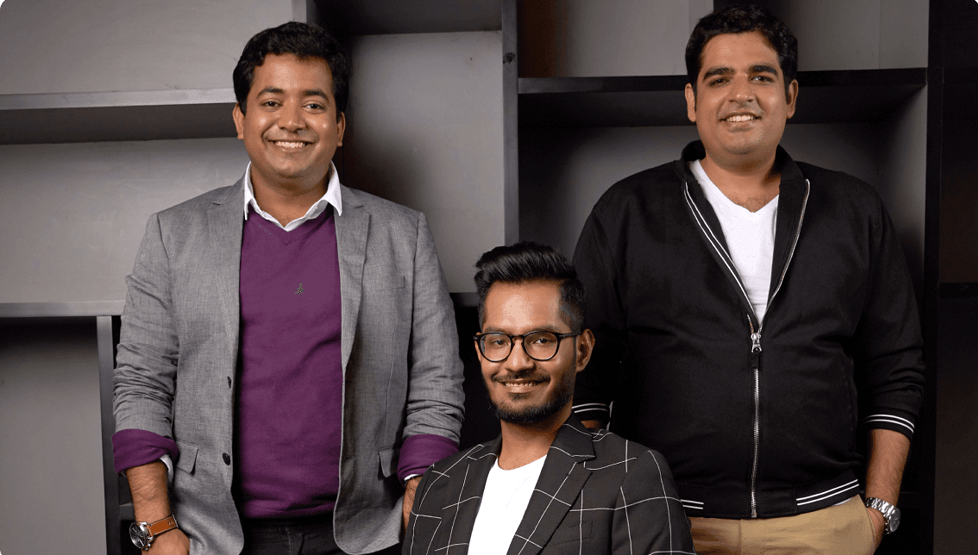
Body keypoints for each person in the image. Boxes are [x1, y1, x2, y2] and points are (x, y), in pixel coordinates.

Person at [571, 5, 924, 555]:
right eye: (719, 79)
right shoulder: (626, 212)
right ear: (692, 100)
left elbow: (896, 367)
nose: (742, 94)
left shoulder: (854, 210)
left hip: (823, 522)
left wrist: (879, 507)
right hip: (664, 518)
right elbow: (581, 375)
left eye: (761, 76)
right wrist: (607, 509)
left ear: (790, 96)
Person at [112, 21, 465, 555]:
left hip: (369, 535)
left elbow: (437, 381)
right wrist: (157, 527)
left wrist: (420, 504)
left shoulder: (404, 234)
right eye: (271, 102)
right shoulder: (173, 234)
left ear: (340, 127)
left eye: (314, 105)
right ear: (241, 119)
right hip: (211, 537)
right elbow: (141, 383)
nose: (291, 121)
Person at [404, 242, 694, 555]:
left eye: (542, 340)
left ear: (582, 351)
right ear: (480, 350)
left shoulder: (632, 473)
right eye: (498, 341)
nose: (517, 363)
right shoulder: (438, 484)